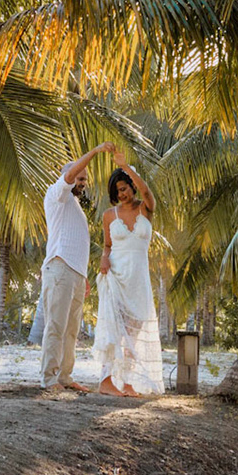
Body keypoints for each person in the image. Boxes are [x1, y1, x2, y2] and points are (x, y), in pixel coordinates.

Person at [40, 142, 115, 392]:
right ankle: (49, 380)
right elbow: (70, 175)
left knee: (71, 331)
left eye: (85, 179)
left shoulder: (75, 208)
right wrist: (94, 152)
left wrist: (83, 278)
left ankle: (64, 377)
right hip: (59, 269)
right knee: (56, 327)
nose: (82, 182)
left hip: (74, 274)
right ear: (68, 178)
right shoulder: (57, 194)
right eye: (79, 177)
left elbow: (77, 243)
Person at [93, 161, 164, 397]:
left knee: (133, 332)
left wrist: (126, 167)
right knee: (114, 328)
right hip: (116, 275)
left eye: (124, 188)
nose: (121, 194)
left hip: (138, 279)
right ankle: (106, 380)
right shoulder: (108, 215)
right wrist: (104, 258)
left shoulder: (146, 208)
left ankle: (129, 381)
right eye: (117, 191)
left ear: (132, 186)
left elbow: (147, 191)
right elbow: (107, 245)